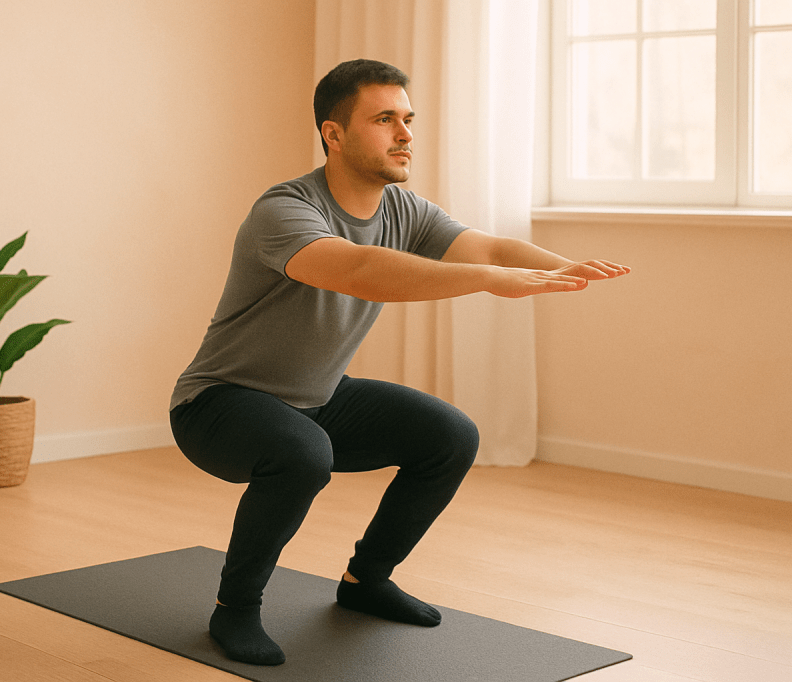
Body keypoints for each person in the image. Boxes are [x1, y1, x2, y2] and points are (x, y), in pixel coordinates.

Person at [169, 58, 630, 666]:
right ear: (333, 134)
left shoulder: (402, 211)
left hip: (317, 397)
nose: (406, 134)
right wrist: (491, 280)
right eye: (385, 119)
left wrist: (556, 266)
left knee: (448, 435)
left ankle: (367, 581)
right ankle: (234, 610)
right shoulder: (284, 211)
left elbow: (488, 245)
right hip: (219, 404)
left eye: (408, 118)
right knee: (304, 453)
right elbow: (361, 272)